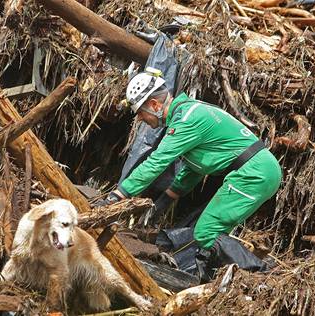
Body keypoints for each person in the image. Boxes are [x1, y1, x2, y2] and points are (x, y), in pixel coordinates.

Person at [98, 68, 282, 282]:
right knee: (213, 233)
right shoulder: (189, 113)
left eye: (140, 113)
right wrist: (166, 200)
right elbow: (195, 167)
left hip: (253, 173)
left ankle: (265, 278)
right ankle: (213, 283)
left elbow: (156, 163)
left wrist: (117, 196)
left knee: (206, 232)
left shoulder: (186, 120)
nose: (141, 119)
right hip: (259, 169)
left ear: (155, 106)